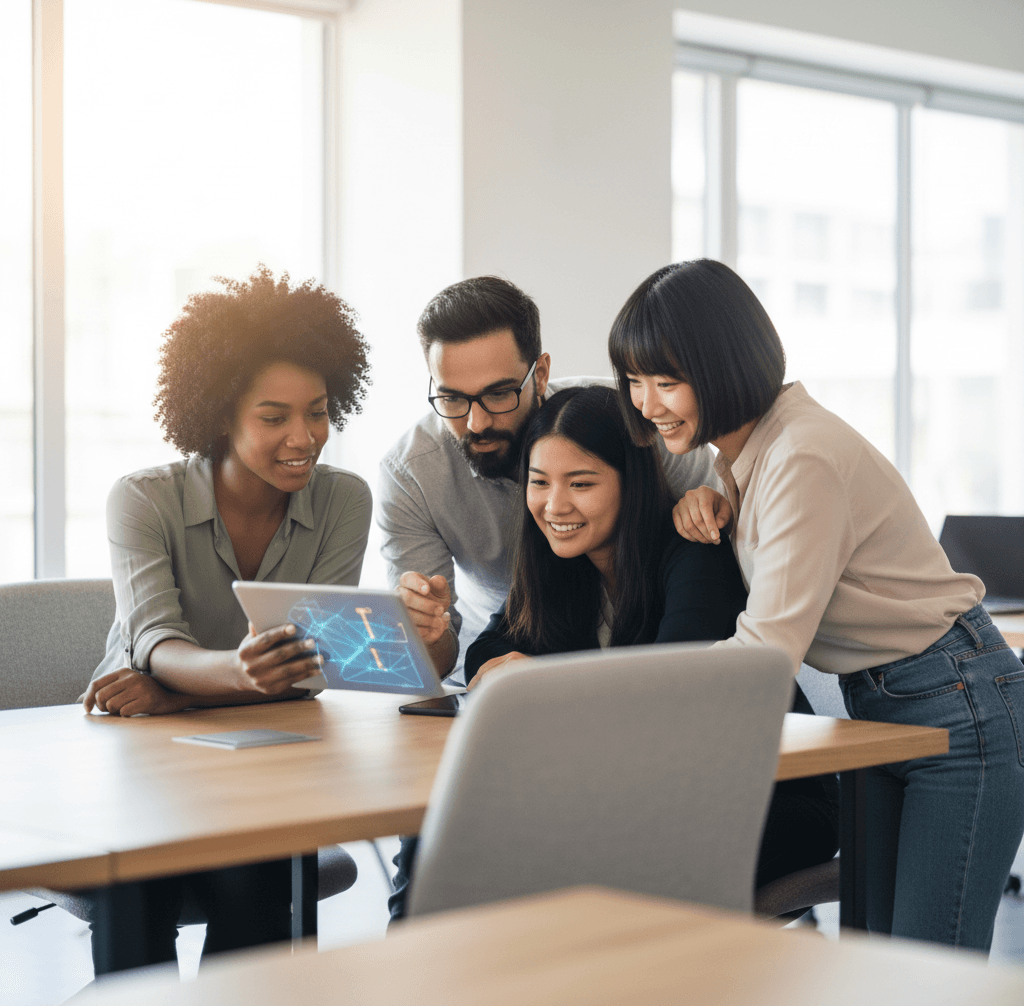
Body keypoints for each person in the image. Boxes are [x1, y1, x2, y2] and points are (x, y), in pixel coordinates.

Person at [607, 257, 1024, 952]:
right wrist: (711, 500)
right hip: (891, 702)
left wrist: (618, 700)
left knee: (929, 974)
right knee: (883, 966)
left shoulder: (800, 455)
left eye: (667, 381)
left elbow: (765, 657)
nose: (647, 402)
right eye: (635, 380)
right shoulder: (749, 451)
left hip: (958, 703)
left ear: (722, 364)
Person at [393, 386, 838, 914]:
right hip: (637, 793)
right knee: (442, 812)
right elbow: (490, 646)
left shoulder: (692, 555)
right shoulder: (557, 564)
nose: (555, 505)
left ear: (632, 482)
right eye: (539, 483)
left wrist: (540, 684)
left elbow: (665, 699)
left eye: (581, 484)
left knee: (533, 855)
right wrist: (501, 669)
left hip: (761, 798)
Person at [379, 275, 722, 919]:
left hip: (702, 792)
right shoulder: (556, 562)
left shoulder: (638, 443)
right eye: (452, 399)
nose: (476, 421)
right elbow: (482, 653)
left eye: (498, 395)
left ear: (538, 373)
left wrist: (715, 501)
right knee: (448, 830)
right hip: (594, 771)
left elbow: (681, 690)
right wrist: (427, 634)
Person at [79, 266, 372, 968]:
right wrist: (233, 676)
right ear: (219, 415)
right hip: (137, 754)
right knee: (138, 889)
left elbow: (308, 669)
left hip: (255, 754)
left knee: (260, 887)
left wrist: (177, 695)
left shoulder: (344, 502)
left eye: (318, 411)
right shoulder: (141, 501)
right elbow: (154, 643)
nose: (304, 437)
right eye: (274, 417)